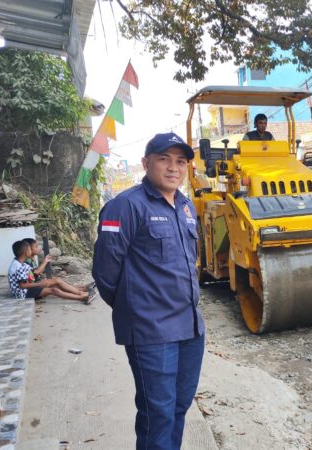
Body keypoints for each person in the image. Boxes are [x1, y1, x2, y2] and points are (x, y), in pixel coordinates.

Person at [92, 132, 204, 450]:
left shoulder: (184, 206)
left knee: (179, 408)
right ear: (146, 163)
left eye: (180, 161)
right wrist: (135, 311)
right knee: (158, 415)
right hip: (151, 332)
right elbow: (105, 272)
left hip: (190, 328)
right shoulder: (125, 206)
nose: (173, 168)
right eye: (164, 159)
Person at [8, 240, 93, 303]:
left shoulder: (20, 263)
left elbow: (30, 278)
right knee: (54, 290)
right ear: (26, 252)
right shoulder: (19, 266)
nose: (31, 250)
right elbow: (22, 285)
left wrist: (40, 282)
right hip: (23, 294)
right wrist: (39, 284)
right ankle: (82, 296)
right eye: (30, 249)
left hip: (26, 290)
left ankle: (81, 292)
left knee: (55, 286)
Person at [23, 237, 94, 294]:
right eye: (36, 247)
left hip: (37, 283)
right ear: (28, 249)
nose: (39, 248)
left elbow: (37, 272)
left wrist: (45, 262)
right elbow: (36, 272)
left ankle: (82, 289)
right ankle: (81, 292)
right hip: (34, 286)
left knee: (58, 283)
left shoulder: (31, 259)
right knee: (57, 281)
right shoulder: (26, 261)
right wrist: (45, 261)